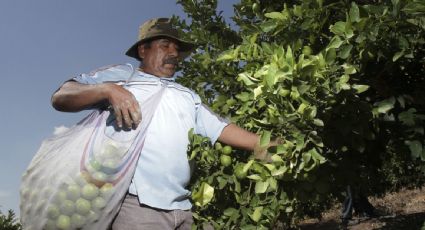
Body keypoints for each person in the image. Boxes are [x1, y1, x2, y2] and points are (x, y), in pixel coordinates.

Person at [51, 18, 273, 230]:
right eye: (165, 45)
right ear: (143, 50)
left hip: (184, 206)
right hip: (137, 206)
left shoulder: (187, 95)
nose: (174, 53)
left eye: (176, 49)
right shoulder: (123, 76)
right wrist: (107, 89)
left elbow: (221, 127)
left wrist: (270, 145)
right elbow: (62, 96)